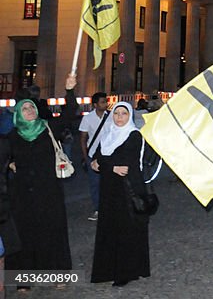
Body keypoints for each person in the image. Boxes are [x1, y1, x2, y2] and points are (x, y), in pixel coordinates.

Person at [7, 73, 79, 283]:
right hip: (23, 192)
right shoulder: (12, 136)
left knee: (52, 230)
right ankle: (24, 279)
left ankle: (56, 275)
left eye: (31, 107)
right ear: (18, 113)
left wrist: (69, 90)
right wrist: (8, 164)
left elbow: (69, 113)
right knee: (25, 232)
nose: (29, 111)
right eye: (24, 109)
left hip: (49, 190)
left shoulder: (48, 128)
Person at [89, 101, 151, 287]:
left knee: (127, 229)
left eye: (124, 113)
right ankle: (108, 268)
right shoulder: (108, 134)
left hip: (128, 189)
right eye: (117, 114)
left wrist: (104, 164)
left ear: (130, 116)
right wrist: (104, 164)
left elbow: (125, 163)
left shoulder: (134, 135)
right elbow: (99, 158)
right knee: (110, 227)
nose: (119, 117)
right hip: (110, 188)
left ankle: (127, 271)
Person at [79, 92, 110, 221]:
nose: (105, 104)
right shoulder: (87, 118)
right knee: (95, 183)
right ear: (95, 104)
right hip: (93, 155)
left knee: (109, 183)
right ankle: (98, 209)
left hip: (108, 154)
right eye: (102, 102)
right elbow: (83, 138)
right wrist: (86, 157)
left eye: (106, 101)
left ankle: (109, 208)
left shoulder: (111, 116)